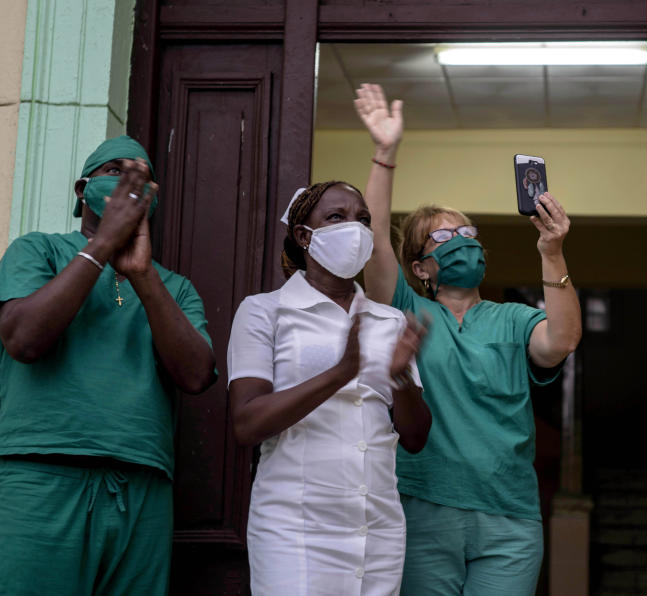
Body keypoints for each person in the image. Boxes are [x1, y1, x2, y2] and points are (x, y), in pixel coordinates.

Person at [354, 83, 582, 595]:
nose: (462, 242)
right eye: (444, 237)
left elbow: (561, 340)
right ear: (420, 267)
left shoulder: (513, 318)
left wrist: (552, 251)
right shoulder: (408, 310)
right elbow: (371, 250)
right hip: (423, 511)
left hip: (510, 521)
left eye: (468, 233)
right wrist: (384, 154)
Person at [0, 135, 218, 595]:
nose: (130, 185)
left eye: (143, 179)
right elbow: (23, 338)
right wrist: (101, 246)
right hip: (43, 476)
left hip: (141, 484)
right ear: (81, 189)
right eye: (115, 171)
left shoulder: (176, 287)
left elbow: (195, 375)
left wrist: (143, 275)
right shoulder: (38, 251)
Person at [227, 180, 432, 595]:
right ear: (304, 236)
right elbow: (247, 423)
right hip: (295, 527)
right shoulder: (264, 311)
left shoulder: (388, 321)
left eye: (363, 219)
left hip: (375, 526)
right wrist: (340, 374)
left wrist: (400, 379)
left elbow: (415, 437)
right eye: (336, 217)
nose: (353, 228)